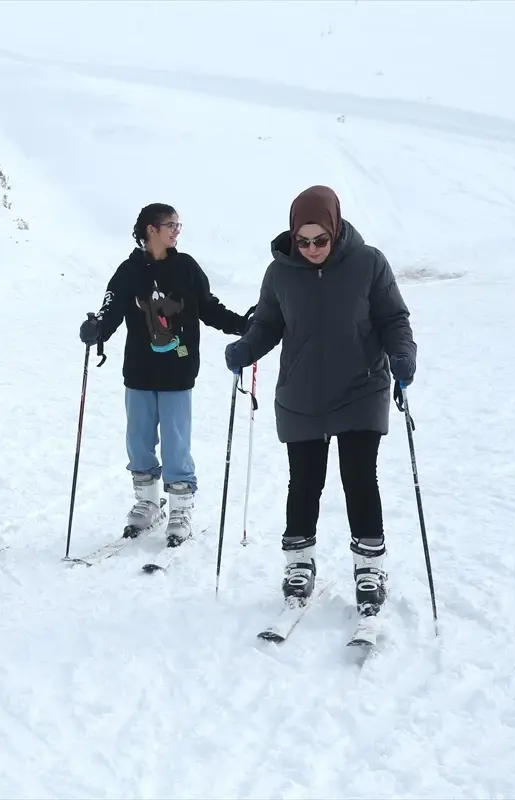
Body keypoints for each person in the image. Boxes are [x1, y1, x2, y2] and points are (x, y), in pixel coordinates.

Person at [223, 185, 417, 617]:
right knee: (305, 482)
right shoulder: (280, 274)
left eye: (320, 240)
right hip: (302, 392)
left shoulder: (369, 264)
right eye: (303, 240)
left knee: (359, 478)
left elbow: (393, 319)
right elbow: (268, 325)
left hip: (361, 388)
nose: (311, 249)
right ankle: (298, 564)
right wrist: (245, 349)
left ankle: (370, 569)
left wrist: (404, 355)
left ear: (335, 229)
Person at [80, 203, 253, 548]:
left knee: (176, 442)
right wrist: (96, 329)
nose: (176, 230)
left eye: (178, 224)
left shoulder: (186, 268)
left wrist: (242, 325)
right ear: (150, 229)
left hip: (177, 371)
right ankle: (147, 501)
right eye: (170, 224)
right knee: (139, 440)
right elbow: (111, 310)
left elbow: (208, 307)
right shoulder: (129, 271)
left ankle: (180, 506)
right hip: (139, 372)